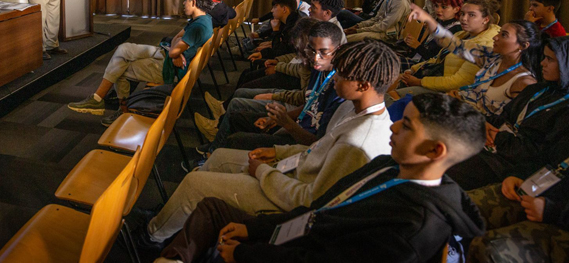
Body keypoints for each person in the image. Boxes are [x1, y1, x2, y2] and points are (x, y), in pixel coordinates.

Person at [155, 93, 486, 263]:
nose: (394, 127)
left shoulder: (412, 229)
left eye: (408, 126)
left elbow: (319, 260)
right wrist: (257, 229)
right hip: (298, 238)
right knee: (213, 209)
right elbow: (321, 212)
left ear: (435, 151)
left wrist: (245, 254)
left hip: (299, 253)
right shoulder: (387, 166)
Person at [145, 40, 399, 244]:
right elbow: (316, 150)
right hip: (292, 175)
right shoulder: (352, 109)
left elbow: (310, 202)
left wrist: (264, 172)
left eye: (341, 75)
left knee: (194, 182)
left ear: (364, 85)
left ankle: (153, 235)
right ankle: (186, 221)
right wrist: (277, 151)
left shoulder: (356, 143)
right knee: (221, 155)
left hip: (289, 202)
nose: (334, 78)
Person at [67, 0, 214, 126]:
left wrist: (175, 51)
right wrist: (176, 49)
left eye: (186, 0)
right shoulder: (203, 19)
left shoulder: (198, 27)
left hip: (171, 68)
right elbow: (176, 37)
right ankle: (98, 98)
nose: (183, 3)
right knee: (124, 48)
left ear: (194, 2)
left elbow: (174, 50)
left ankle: (122, 109)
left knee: (121, 70)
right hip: (167, 54)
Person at [196, 21, 342, 151]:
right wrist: (276, 119)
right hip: (294, 123)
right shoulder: (319, 69)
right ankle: (213, 148)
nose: (316, 58)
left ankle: (213, 155)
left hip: (300, 144)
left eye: (323, 52)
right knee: (237, 116)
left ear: (337, 49)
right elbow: (309, 104)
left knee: (236, 139)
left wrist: (286, 122)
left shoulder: (337, 89)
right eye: (311, 51)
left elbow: (317, 145)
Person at [447, 36, 569, 191]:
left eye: (550, 59)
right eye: (544, 57)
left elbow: (539, 152)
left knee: (445, 167)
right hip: (495, 145)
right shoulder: (537, 89)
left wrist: (497, 137)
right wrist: (484, 123)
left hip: (508, 162)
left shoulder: (565, 108)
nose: (542, 63)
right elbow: (503, 117)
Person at [405, 3, 542, 116]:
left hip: (474, 126)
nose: (495, 37)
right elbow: (453, 44)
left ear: (523, 46)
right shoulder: (492, 58)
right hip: (459, 110)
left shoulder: (524, 82)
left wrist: (462, 103)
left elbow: (509, 122)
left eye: (504, 35)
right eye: (499, 33)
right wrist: (428, 20)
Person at [392, 0, 501, 98]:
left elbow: (459, 82)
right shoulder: (462, 34)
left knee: (391, 97)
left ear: (485, 20)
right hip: (433, 77)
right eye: (462, 14)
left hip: (449, 93)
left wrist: (419, 81)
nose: (464, 18)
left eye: (471, 15)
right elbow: (437, 58)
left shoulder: (485, 44)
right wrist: (413, 69)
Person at [467, 169, 569, 262]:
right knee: (458, 206)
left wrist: (552, 211)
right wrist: (517, 175)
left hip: (560, 221)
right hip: (541, 194)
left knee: (486, 249)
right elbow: (541, 154)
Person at [395, 0, 463, 71]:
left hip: (429, 67)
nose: (438, 10)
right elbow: (426, 46)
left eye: (444, 7)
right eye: (436, 6)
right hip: (417, 59)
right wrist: (411, 43)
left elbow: (437, 58)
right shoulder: (439, 22)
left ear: (456, 9)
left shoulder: (457, 29)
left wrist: (417, 46)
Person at [344, 0, 411, 42]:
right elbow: (376, 19)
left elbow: (385, 25)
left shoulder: (400, 2)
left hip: (389, 34)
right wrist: (358, 26)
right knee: (344, 34)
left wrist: (358, 30)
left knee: (347, 39)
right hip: (380, 30)